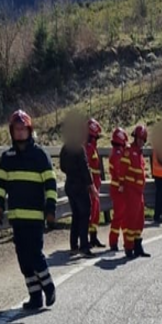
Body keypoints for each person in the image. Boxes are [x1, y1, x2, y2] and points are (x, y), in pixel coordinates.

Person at [0, 110, 57, 310]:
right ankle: (35, 297)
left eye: (23, 128)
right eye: (17, 129)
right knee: (23, 260)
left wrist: (51, 209)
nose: (20, 132)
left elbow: (50, 184)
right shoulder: (6, 158)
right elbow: (1, 187)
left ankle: (49, 287)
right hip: (17, 218)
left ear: (29, 130)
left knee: (35, 255)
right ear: (12, 132)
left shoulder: (40, 155)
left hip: (35, 217)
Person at [59, 116, 96, 257]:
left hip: (69, 185)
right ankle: (84, 246)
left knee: (75, 215)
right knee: (84, 214)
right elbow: (85, 168)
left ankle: (74, 245)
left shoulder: (64, 149)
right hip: (80, 186)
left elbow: (62, 167)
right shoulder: (79, 149)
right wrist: (91, 185)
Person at [123, 125, 150, 259]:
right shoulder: (129, 151)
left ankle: (138, 246)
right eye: (139, 139)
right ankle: (129, 247)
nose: (141, 142)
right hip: (131, 190)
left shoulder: (139, 153)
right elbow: (122, 170)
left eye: (143, 140)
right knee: (131, 220)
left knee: (140, 220)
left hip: (139, 192)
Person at [106, 127, 129, 253]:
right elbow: (121, 171)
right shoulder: (118, 154)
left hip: (118, 188)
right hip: (119, 189)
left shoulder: (116, 152)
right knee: (119, 216)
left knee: (122, 216)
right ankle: (114, 241)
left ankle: (126, 241)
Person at [85, 118, 106, 248]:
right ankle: (86, 240)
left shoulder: (92, 147)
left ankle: (93, 238)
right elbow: (87, 168)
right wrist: (91, 184)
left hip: (95, 184)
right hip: (90, 185)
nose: (97, 138)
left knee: (95, 212)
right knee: (90, 211)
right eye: (96, 135)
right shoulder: (87, 148)